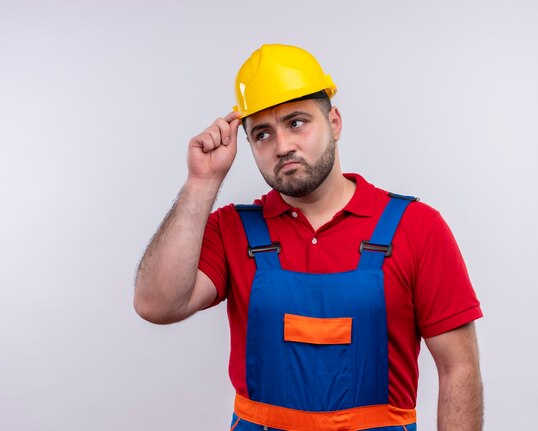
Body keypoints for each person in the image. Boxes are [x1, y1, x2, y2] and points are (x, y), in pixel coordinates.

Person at [134, 44, 483, 431]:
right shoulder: (231, 229)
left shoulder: (416, 227)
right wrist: (201, 183)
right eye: (263, 134)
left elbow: (458, 369)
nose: (283, 146)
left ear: (334, 122)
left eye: (297, 122)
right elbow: (156, 304)